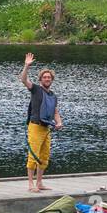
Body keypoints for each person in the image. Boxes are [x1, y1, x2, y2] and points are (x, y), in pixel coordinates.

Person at [20, 53, 62, 192]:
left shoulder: (53, 95)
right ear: (41, 79)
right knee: (33, 156)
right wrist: (27, 65)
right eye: (44, 77)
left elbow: (55, 112)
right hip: (35, 126)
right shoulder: (36, 90)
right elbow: (23, 79)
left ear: (52, 80)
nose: (47, 79)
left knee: (44, 157)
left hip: (46, 128)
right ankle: (30, 184)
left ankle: (39, 183)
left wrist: (59, 122)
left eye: (49, 77)